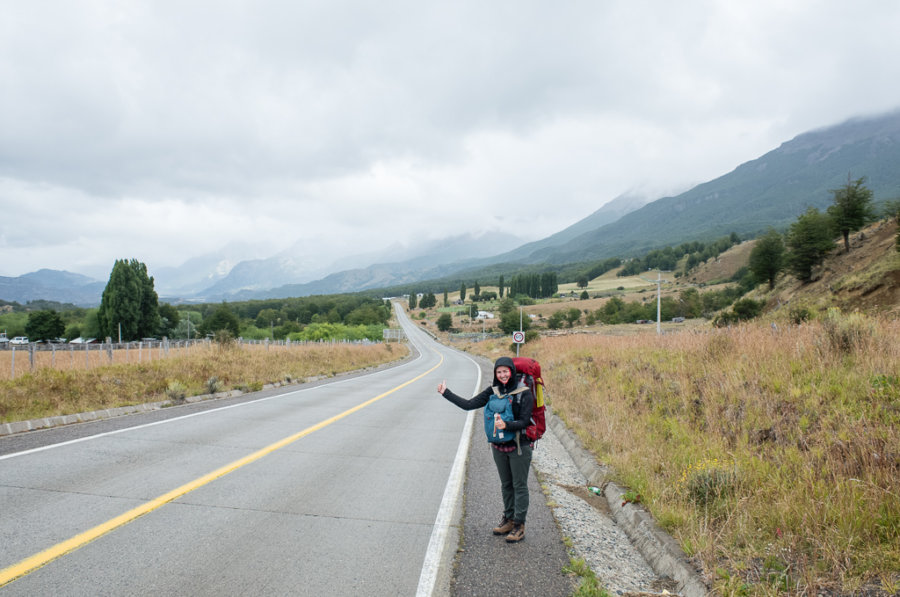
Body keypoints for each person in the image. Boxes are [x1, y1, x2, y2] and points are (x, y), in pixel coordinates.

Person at [437, 356, 534, 543]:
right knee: (506, 485)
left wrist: (506, 425)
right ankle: (509, 519)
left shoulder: (524, 393)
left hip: (519, 446)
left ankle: (519, 525)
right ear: (495, 374)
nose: (503, 375)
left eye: (506, 371)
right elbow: (469, 405)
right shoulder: (493, 391)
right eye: (499, 372)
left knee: (519, 486)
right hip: (498, 447)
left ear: (512, 372)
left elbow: (524, 421)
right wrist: (445, 393)